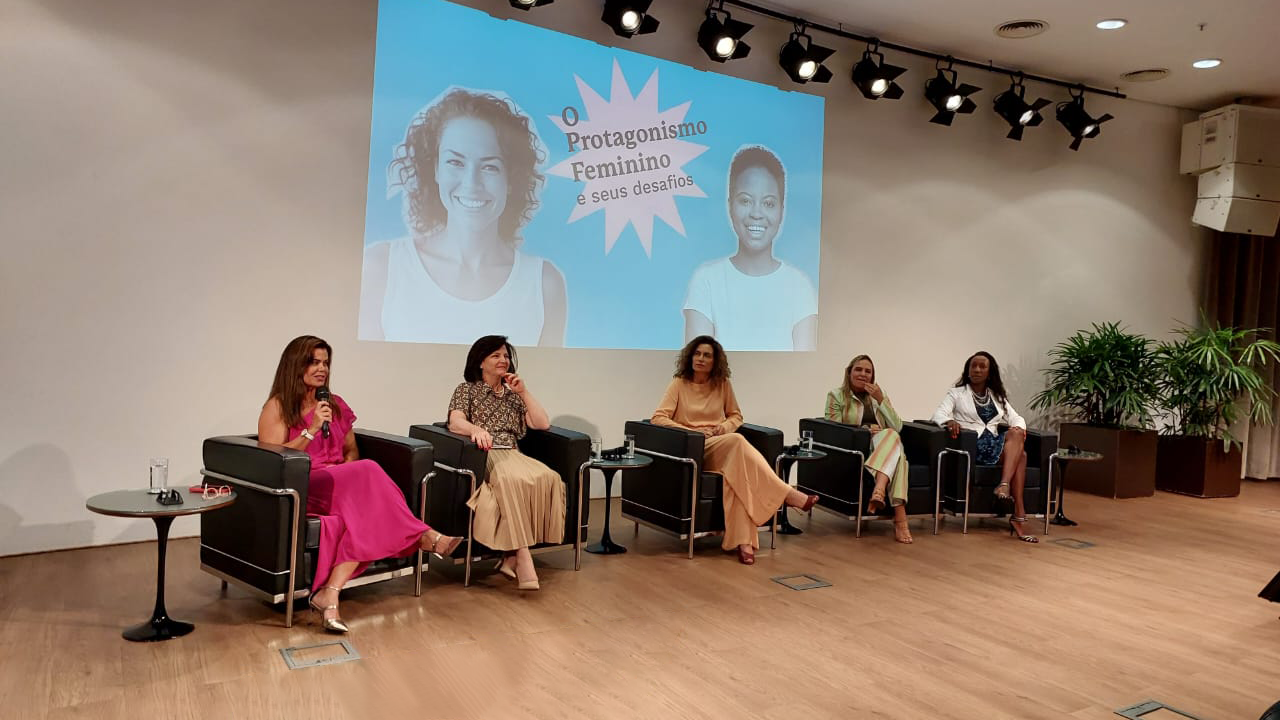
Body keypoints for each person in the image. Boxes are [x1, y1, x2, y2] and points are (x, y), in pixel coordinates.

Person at [257, 336, 461, 632]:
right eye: (314, 362)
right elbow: (273, 460)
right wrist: (312, 430)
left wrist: (346, 474)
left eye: (325, 363)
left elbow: (351, 451)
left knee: (364, 496)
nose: (322, 369)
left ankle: (330, 594)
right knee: (368, 470)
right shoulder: (277, 407)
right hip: (303, 485)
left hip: (338, 482)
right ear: (295, 365)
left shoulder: (334, 404)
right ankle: (424, 537)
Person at [361, 87, 566, 346]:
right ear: (434, 169)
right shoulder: (382, 268)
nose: (472, 183)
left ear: (511, 179)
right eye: (455, 163)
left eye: (490, 166)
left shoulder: (545, 284)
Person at [651, 335, 818, 565]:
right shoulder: (679, 383)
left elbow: (736, 416)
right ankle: (786, 494)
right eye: (697, 354)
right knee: (737, 441)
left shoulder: (722, 384)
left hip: (720, 442)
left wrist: (722, 427)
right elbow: (658, 418)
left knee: (737, 477)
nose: (700, 359)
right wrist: (692, 432)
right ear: (690, 357)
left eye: (707, 355)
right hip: (694, 447)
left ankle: (743, 543)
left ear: (715, 361)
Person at [447, 335, 565, 590]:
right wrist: (474, 430)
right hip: (485, 453)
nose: (503, 360)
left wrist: (523, 392)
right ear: (480, 362)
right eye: (496, 355)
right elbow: (455, 421)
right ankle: (522, 556)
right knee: (509, 480)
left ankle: (509, 557)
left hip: (513, 452)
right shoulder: (467, 389)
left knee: (549, 477)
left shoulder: (513, 395)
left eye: (506, 356)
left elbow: (541, 423)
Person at [683, 145, 817, 351]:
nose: (756, 213)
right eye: (745, 201)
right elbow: (696, 364)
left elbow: (805, 366)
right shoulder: (707, 281)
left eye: (768, 203)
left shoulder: (799, 287)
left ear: (782, 209)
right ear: (730, 205)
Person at [931, 351, 1037, 543]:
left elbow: (1016, 418)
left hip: (995, 443)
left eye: (982, 366)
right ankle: (1018, 512)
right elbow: (938, 415)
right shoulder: (957, 393)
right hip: (973, 445)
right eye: (974, 366)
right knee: (1021, 455)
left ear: (990, 372)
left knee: (1017, 436)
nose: (977, 370)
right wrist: (949, 422)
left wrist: (1019, 428)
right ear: (968, 369)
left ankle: (1005, 488)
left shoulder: (997, 396)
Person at [824, 354, 913, 544]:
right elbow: (833, 428)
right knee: (899, 460)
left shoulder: (878, 396)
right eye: (858, 369)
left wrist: (881, 400)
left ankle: (879, 490)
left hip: (883, 443)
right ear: (849, 373)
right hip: (858, 446)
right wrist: (864, 430)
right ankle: (900, 519)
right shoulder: (836, 396)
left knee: (891, 435)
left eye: (868, 371)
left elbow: (897, 426)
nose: (863, 374)